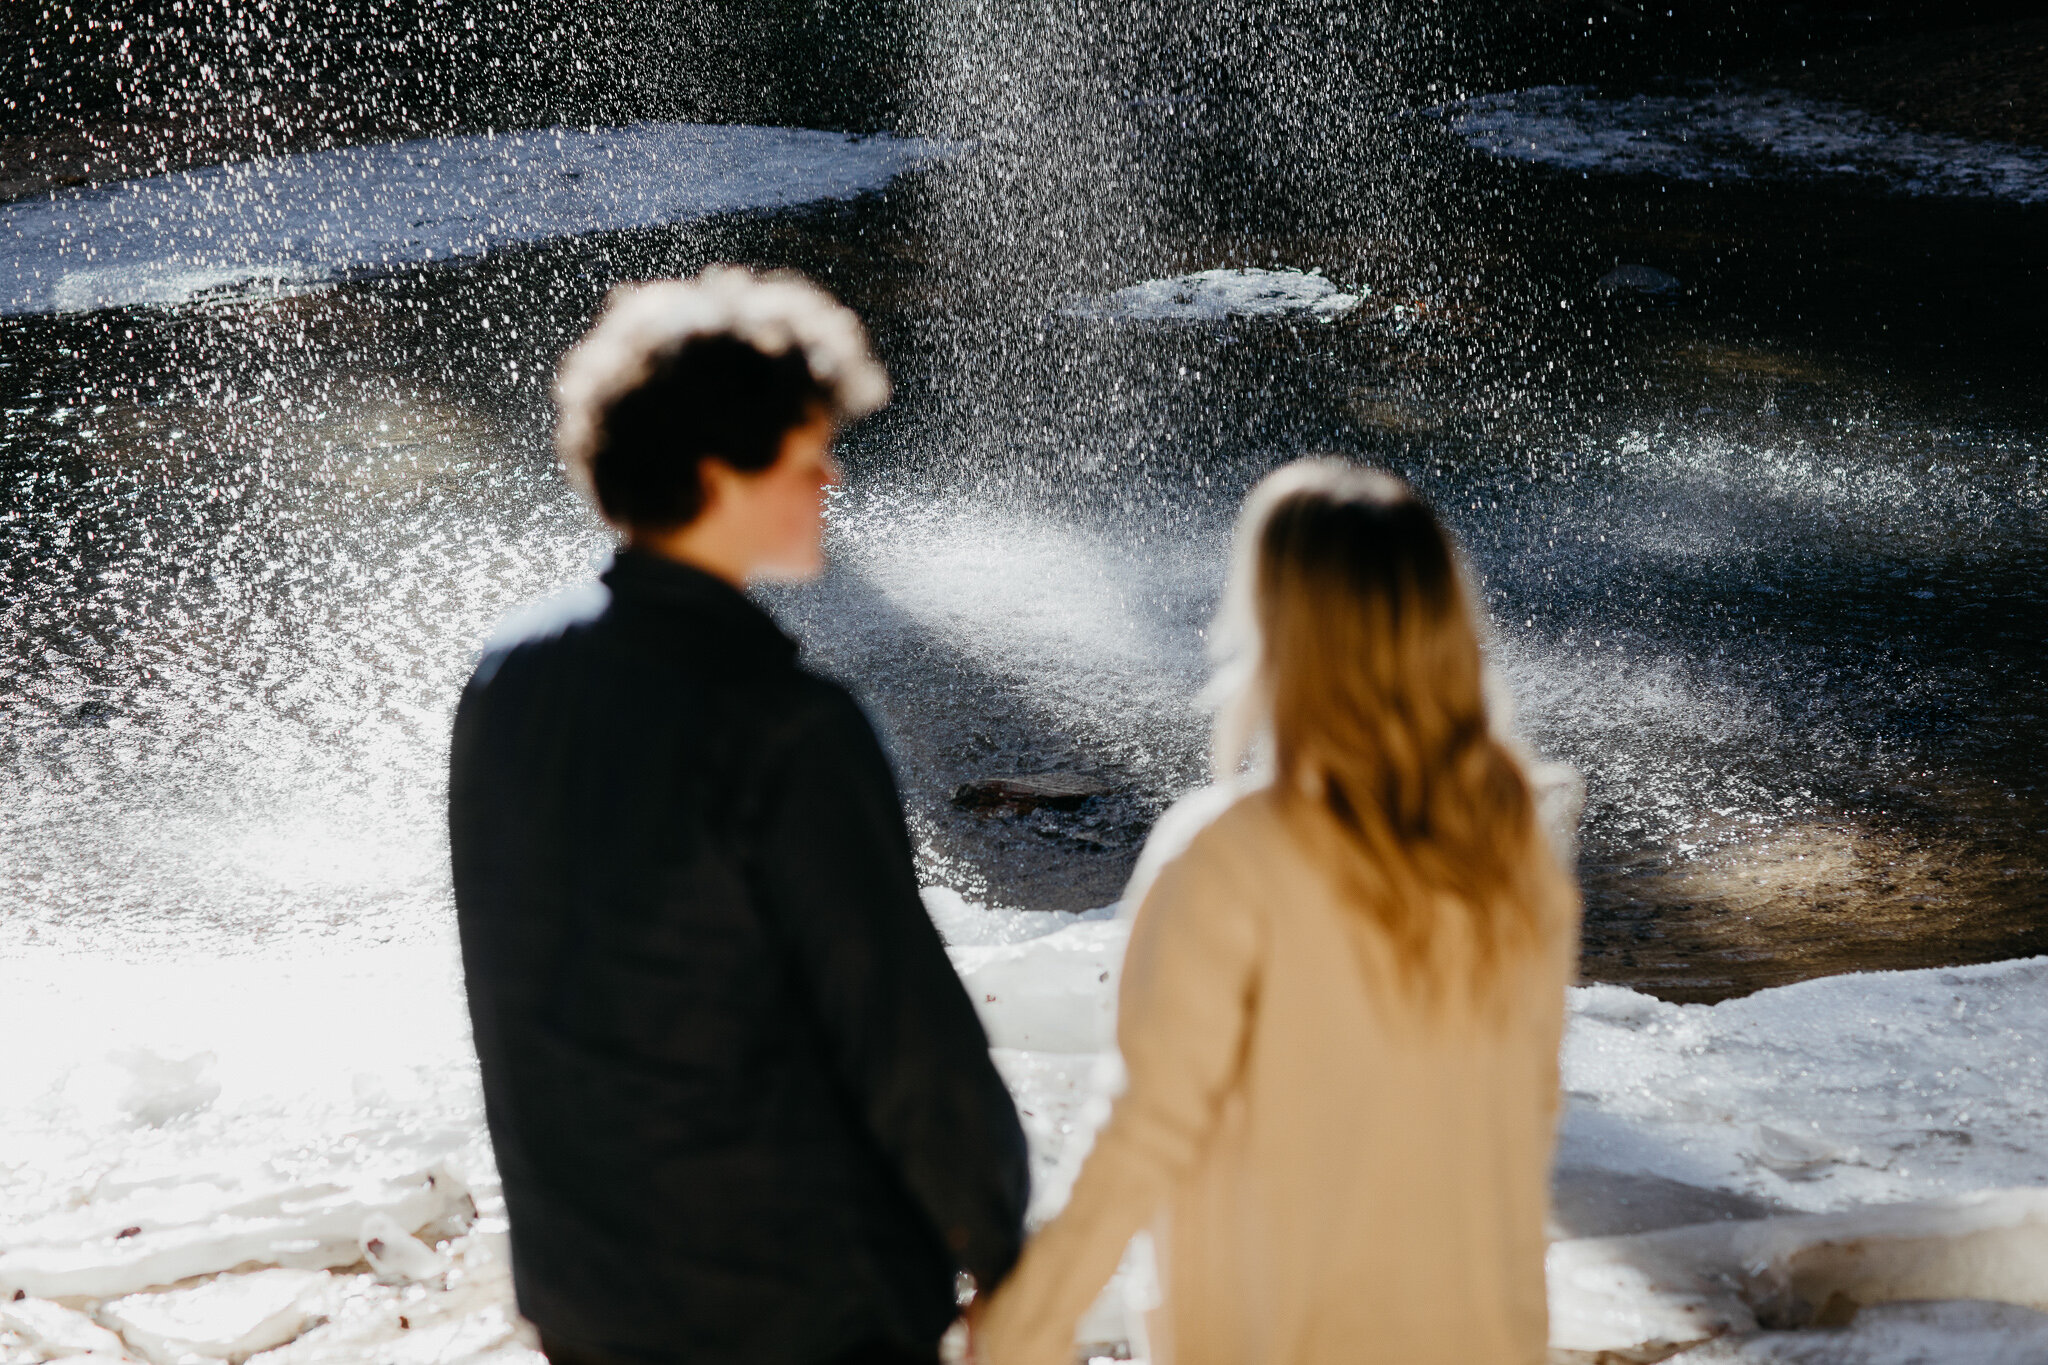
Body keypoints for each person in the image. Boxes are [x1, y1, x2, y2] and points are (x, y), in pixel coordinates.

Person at [449, 267, 1029, 1365]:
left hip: (587, 1286)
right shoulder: (785, 724)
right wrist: (1000, 1247)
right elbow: (904, 1035)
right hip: (794, 1301)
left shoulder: (506, 676)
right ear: (720, 472)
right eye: (809, 456)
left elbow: (515, 986)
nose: (831, 480)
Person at [973, 460, 1581, 1365]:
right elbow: (1526, 1113)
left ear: (1277, 631)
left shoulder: (1228, 852)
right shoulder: (1514, 851)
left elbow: (1143, 1130)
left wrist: (1020, 1326)